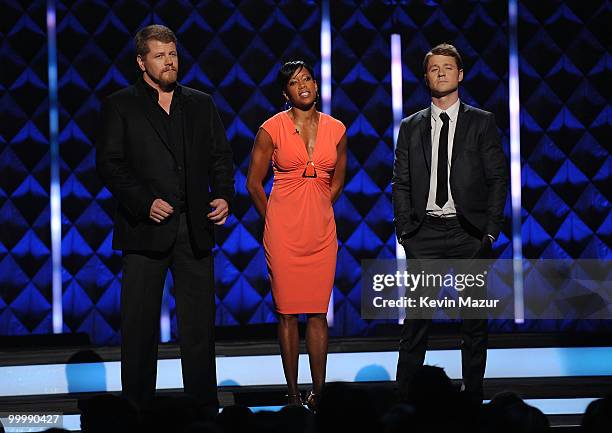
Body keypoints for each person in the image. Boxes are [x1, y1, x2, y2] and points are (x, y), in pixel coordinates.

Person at [96, 24, 234, 410]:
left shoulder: (200, 103)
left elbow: (221, 157)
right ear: (142, 62)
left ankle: (204, 411)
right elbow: (110, 165)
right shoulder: (121, 104)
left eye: (172, 54)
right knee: (139, 330)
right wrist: (143, 202)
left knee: (198, 331)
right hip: (145, 231)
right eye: (160, 55)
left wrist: (223, 196)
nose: (169, 61)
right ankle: (138, 411)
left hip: (194, 230)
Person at [392, 43, 508, 402]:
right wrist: (405, 231)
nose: (440, 73)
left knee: (474, 324)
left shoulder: (481, 121)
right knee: (415, 325)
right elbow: (401, 182)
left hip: (468, 233)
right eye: (433, 68)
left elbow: (497, 178)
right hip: (423, 234)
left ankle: (472, 397)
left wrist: (488, 231)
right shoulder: (410, 126)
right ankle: (405, 401)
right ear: (426, 77)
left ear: (460, 75)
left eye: (447, 67)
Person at [246, 61, 347, 410]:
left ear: (316, 86)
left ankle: (318, 394)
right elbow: (253, 184)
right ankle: (292, 395)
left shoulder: (337, 129)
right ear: (285, 91)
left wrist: (319, 207)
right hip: (283, 233)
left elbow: (337, 180)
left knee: (318, 313)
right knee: (287, 313)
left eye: (307, 78)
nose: (302, 85)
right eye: (294, 81)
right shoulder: (270, 129)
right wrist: (274, 217)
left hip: (321, 233)